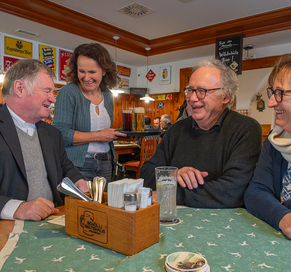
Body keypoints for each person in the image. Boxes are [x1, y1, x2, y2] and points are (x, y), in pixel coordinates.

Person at [140, 58, 262, 208]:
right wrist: (171, 176)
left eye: (201, 91)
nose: (191, 98)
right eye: (190, 90)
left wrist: (172, 193)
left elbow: (233, 191)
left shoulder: (246, 129)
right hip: (175, 219)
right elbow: (145, 172)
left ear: (226, 96)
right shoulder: (176, 130)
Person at [0, 59, 87, 223]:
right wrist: (18, 208)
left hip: (53, 220)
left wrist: (78, 180)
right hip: (4, 229)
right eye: (47, 91)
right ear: (20, 89)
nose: (53, 99)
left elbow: (66, 168)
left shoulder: (52, 133)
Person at [53, 43, 126, 182]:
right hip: (77, 166)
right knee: (80, 204)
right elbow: (60, 133)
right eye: (82, 71)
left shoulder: (108, 95)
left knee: (104, 203)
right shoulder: (68, 92)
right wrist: (98, 136)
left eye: (92, 72)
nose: (86, 78)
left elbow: (106, 134)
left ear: (104, 71)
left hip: (106, 163)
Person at [245, 54, 291, 239]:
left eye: (280, 93)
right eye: (272, 93)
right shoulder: (274, 142)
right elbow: (255, 192)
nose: (271, 102)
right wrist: (283, 216)